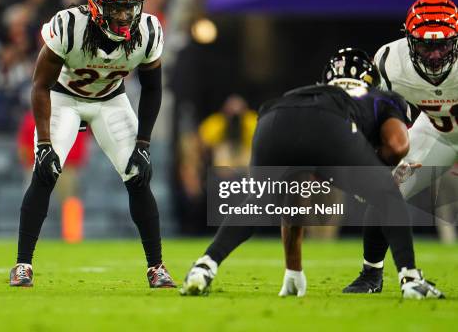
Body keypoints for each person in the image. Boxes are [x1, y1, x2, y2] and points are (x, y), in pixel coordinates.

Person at [181, 48, 444, 299]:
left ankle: (205, 266)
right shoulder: (380, 98)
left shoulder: (306, 92)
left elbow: (294, 201)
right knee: (389, 196)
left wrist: (293, 269)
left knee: (260, 202)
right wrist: (378, 176)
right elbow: (398, 145)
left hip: (273, 118)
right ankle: (411, 279)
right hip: (329, 123)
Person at [9, 0, 175, 288]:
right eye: (116, 8)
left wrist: (143, 143)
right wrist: (44, 145)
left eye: (130, 7)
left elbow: (154, 89)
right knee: (45, 173)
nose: (125, 17)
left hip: (110, 100)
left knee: (139, 176)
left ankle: (157, 267)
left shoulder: (149, 31)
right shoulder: (70, 25)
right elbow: (39, 85)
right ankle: (22, 264)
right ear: (97, 6)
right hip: (64, 98)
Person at [344, 0, 458, 294]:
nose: (434, 55)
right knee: (385, 190)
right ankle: (371, 274)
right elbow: (369, 109)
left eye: (443, 44)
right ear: (408, 40)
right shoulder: (390, 61)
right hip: (437, 133)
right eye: (425, 45)